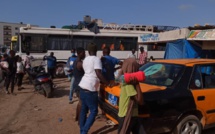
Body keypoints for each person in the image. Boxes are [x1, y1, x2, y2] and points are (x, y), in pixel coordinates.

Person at [78, 43, 112, 134]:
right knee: (94, 111)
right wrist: (108, 83)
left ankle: (82, 130)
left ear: (88, 51)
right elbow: (98, 73)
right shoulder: (96, 59)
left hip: (82, 86)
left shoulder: (85, 59)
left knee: (83, 111)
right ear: (96, 51)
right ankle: (84, 131)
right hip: (90, 88)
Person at [118, 58, 145, 134]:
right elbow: (140, 101)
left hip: (133, 115)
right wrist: (137, 83)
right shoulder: (128, 84)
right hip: (127, 116)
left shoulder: (124, 80)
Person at [72, 47, 85, 124]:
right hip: (80, 86)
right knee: (82, 104)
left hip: (76, 84)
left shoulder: (76, 61)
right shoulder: (80, 63)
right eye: (83, 53)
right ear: (80, 53)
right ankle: (80, 121)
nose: (85, 54)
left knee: (80, 103)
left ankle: (77, 117)